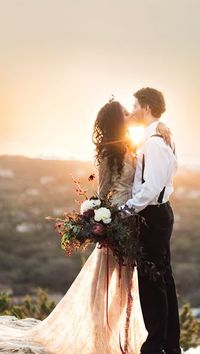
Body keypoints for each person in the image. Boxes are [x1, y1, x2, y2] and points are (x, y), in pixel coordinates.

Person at [0, 99, 173, 354]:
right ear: (116, 119)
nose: (130, 114)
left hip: (135, 218)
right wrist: (103, 217)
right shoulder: (107, 152)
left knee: (126, 282)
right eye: (125, 112)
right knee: (105, 277)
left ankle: (118, 335)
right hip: (118, 218)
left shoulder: (133, 144)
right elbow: (103, 190)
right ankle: (97, 333)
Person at [124, 87, 181, 354]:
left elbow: (151, 187)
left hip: (153, 215)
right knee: (163, 278)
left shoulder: (155, 142)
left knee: (151, 280)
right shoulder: (160, 137)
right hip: (159, 213)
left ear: (146, 106)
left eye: (134, 105)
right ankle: (170, 345)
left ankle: (155, 345)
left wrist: (125, 209)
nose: (132, 110)